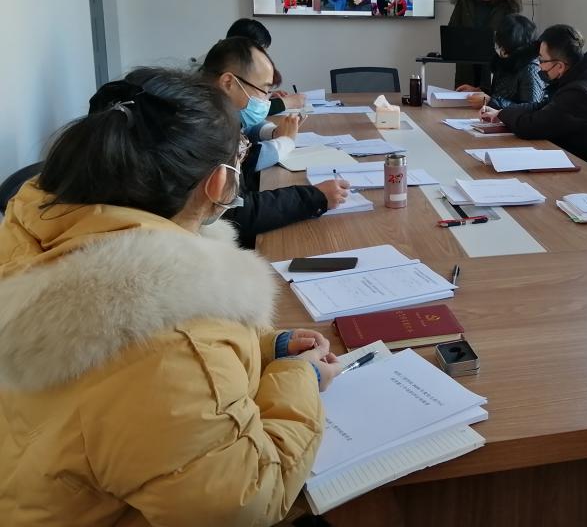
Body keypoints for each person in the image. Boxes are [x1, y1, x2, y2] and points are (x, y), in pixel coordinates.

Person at [0, 70, 341, 525]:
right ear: (218, 182)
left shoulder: (39, 236)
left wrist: (264, 348)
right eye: (240, 155)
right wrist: (301, 378)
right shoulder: (174, 345)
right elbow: (245, 501)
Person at [199, 38, 347, 248]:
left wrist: (275, 133)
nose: (266, 100)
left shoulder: (211, 114)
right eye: (263, 90)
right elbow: (234, 213)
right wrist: (314, 197)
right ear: (228, 82)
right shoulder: (204, 131)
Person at [481, 24, 587, 159]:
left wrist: (503, 115)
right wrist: (501, 113)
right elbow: (542, 106)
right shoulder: (576, 76)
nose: (539, 66)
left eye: (541, 60)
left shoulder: (581, 92)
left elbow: (533, 126)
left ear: (559, 66)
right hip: (569, 150)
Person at [449, 0, 523, 87]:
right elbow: (452, 30)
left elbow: (513, 37)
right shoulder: (465, 1)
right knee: (464, 98)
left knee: (489, 98)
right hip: (466, 66)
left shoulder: (505, 5)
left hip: (494, 66)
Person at [456, 14, 544, 110]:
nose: (498, 44)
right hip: (496, 116)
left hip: (511, 119)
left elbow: (531, 108)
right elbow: (501, 94)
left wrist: (489, 101)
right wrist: (479, 91)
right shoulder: (503, 60)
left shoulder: (531, 69)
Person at [225, 18, 304, 113]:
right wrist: (288, 102)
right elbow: (243, 113)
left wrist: (266, 95)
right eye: (261, 53)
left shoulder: (230, 62)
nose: (264, 58)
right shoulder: (224, 69)